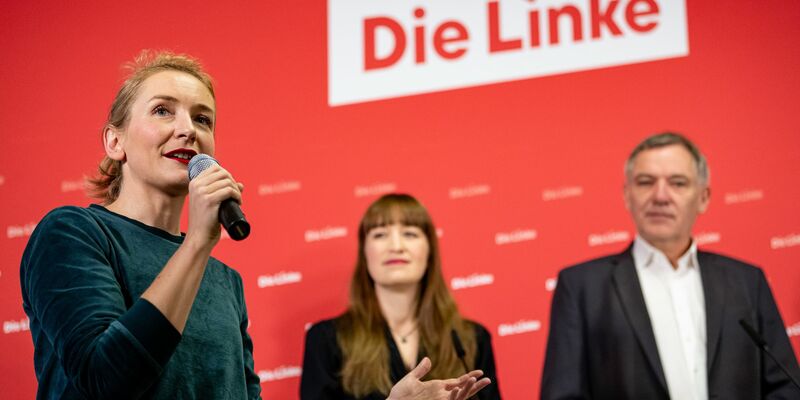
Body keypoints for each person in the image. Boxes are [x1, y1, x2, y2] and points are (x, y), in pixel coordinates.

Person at [20, 51, 261, 399]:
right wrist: (197, 243)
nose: (187, 129)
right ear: (115, 142)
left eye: (202, 119)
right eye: (163, 110)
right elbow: (104, 380)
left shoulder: (226, 281)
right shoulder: (72, 233)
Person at [541, 132, 800, 399]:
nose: (660, 196)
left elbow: (787, 387)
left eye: (678, 183)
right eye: (645, 182)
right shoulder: (582, 287)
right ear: (627, 195)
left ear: (703, 197)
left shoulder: (746, 281)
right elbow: (562, 394)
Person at [300, 194, 501, 400]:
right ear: (364, 252)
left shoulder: (473, 338)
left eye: (410, 233)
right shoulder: (326, 340)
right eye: (380, 235)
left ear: (429, 250)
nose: (396, 246)